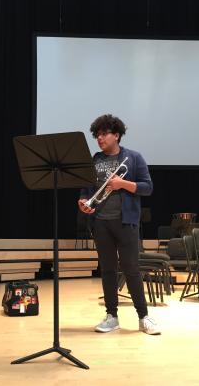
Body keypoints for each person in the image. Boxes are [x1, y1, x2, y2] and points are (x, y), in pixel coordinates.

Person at [78, 114, 160, 335]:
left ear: (116, 135)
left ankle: (143, 317)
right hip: (101, 223)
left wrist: (121, 183)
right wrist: (83, 202)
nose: (100, 139)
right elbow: (86, 191)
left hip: (126, 222)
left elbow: (147, 187)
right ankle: (111, 316)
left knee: (132, 269)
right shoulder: (94, 160)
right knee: (107, 270)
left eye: (104, 134)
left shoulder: (133, 158)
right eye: (97, 135)